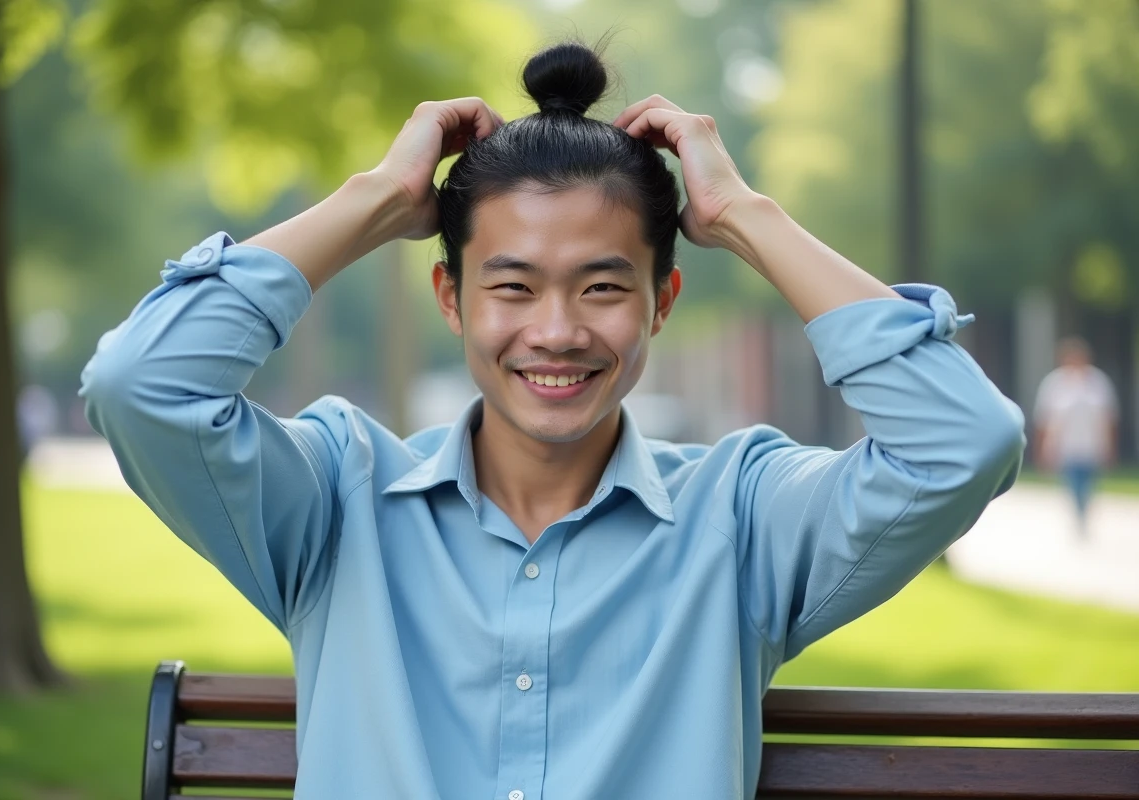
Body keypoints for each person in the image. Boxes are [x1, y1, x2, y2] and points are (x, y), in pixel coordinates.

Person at [80, 42, 1024, 800]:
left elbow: (963, 443)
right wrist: (375, 200)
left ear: (663, 301)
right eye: (513, 286)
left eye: (605, 286)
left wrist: (744, 214)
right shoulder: (335, 500)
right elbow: (139, 384)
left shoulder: (741, 522)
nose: (558, 332)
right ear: (450, 297)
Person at [1033, 336, 1119, 539]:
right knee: (1073, 485)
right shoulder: (1054, 383)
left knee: (1088, 485)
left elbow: (1108, 417)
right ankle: (1078, 517)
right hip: (1065, 447)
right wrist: (1042, 449)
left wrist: (1110, 447)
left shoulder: (1098, 382)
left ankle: (1084, 515)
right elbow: (1044, 419)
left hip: (1092, 445)